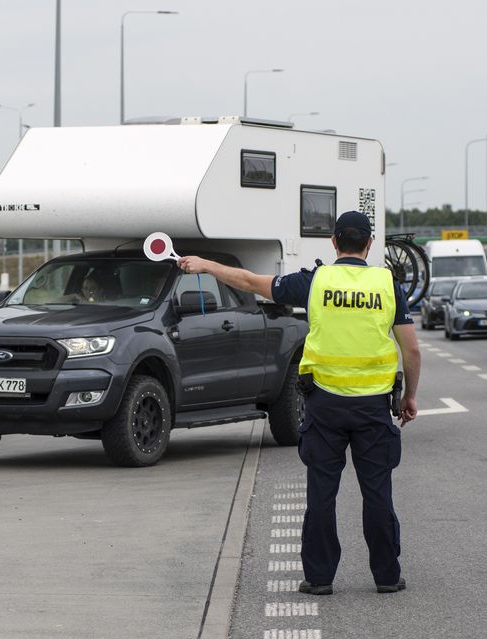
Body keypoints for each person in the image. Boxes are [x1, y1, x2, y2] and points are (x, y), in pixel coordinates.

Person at [178, 211, 421, 595]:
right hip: (374, 407)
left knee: (322, 493)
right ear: (371, 244)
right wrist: (409, 396)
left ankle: (320, 578)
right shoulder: (388, 284)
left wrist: (205, 265)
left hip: (324, 406)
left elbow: (249, 282)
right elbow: (411, 350)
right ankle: (387, 576)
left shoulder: (315, 281)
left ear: (335, 243)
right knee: (377, 492)